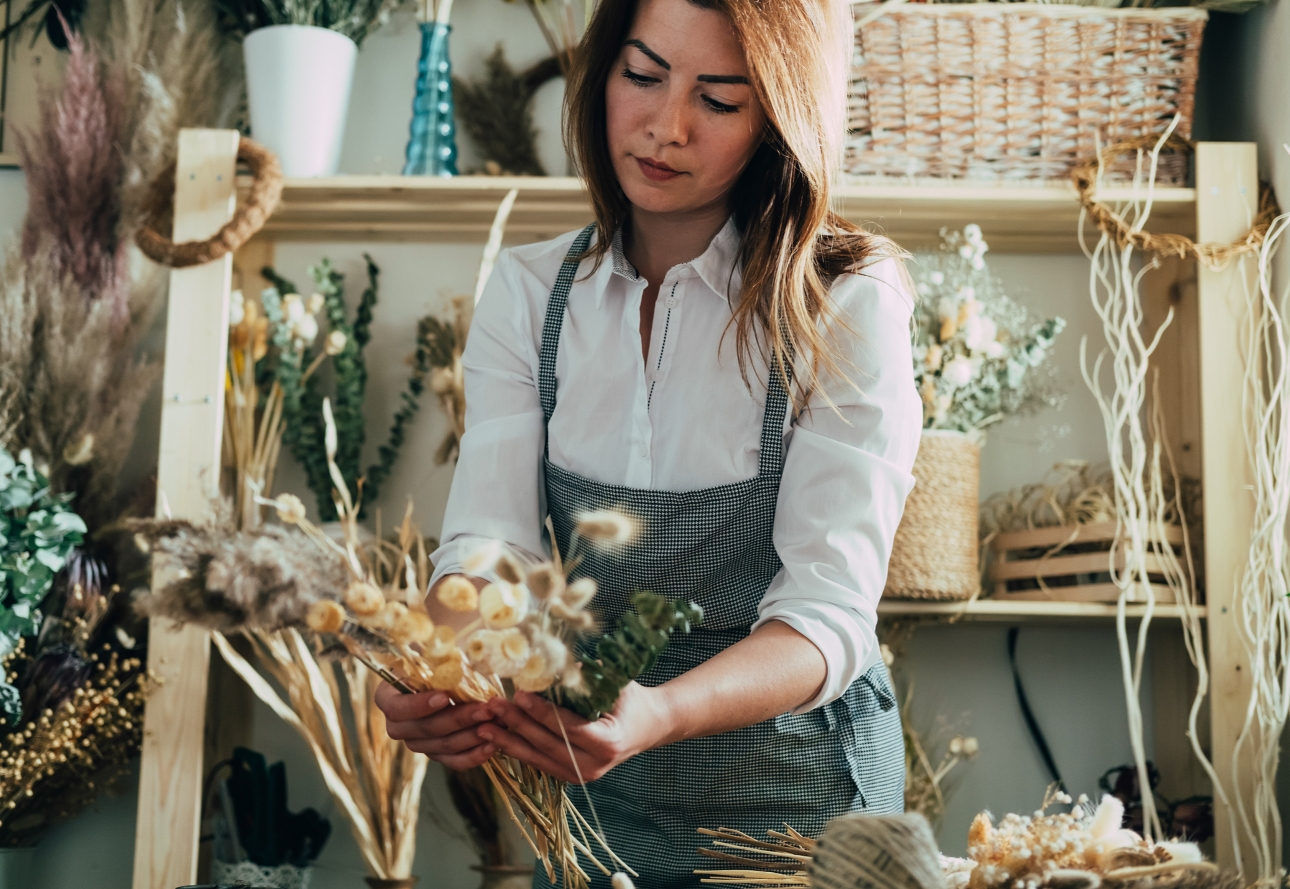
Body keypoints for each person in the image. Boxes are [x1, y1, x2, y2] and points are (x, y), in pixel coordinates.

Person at [376, 0, 922, 885]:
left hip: (796, 806)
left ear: (780, 118)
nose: (665, 127)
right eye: (642, 75)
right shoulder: (530, 295)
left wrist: (655, 712)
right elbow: (492, 546)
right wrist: (434, 660)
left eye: (719, 98)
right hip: (600, 803)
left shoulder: (847, 302)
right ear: (602, 76)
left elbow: (827, 613)